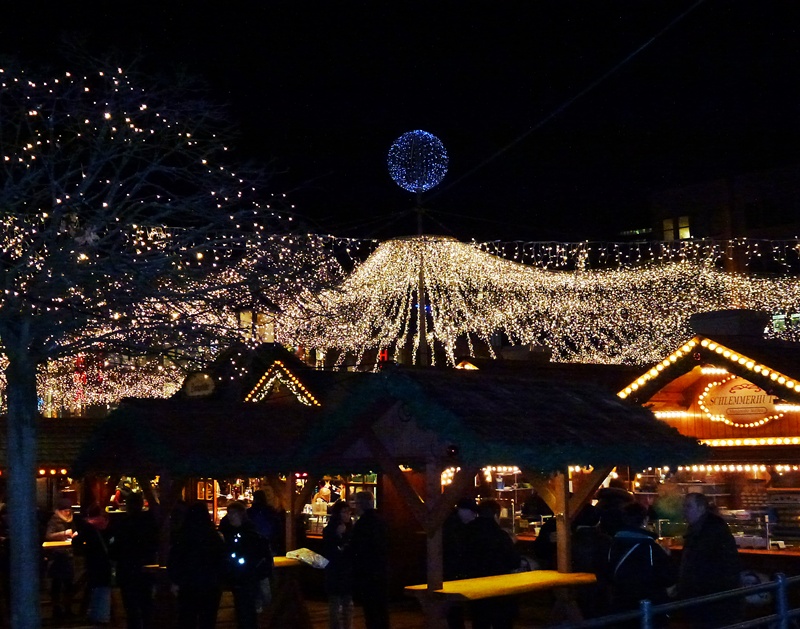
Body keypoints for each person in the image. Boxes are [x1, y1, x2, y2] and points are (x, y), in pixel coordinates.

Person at [678, 492, 742, 628]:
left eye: (688, 506)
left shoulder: (709, 530)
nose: (684, 510)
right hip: (708, 595)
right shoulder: (703, 528)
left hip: (710, 596)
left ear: (701, 508)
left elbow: (704, 562)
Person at [607, 502, 676, 627]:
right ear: (645, 520)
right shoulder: (650, 547)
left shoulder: (613, 544)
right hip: (648, 605)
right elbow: (668, 577)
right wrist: (667, 556)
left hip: (621, 605)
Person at [461, 499, 520, 629]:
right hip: (499, 585)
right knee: (502, 621)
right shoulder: (500, 535)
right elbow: (514, 561)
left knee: (480, 620)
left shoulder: (466, 531)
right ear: (495, 515)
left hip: (474, 584)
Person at [168, 502, 226, 629]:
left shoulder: (183, 536)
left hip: (188, 584)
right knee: (208, 619)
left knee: (187, 618)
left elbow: (175, 559)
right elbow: (221, 559)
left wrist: (175, 580)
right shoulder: (213, 536)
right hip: (210, 584)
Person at [219, 500, 273, 629]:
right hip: (237, 578)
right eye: (229, 513)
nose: (230, 516)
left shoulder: (250, 534)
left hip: (247, 578)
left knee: (247, 611)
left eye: (233, 513)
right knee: (242, 610)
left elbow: (258, 556)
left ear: (241, 515)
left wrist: (253, 571)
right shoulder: (230, 532)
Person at [109, 491, 159, 629]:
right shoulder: (150, 522)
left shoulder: (122, 524)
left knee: (131, 608)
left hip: (127, 570)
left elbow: (114, 550)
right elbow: (155, 543)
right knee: (146, 605)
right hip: (146, 568)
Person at [348, 491, 389, 629]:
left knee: (370, 609)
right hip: (381, 570)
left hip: (366, 572)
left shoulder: (362, 524)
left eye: (356, 503)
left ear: (361, 504)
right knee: (381, 608)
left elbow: (355, 547)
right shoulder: (381, 520)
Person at [75, 503, 114, 627]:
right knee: (105, 588)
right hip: (107, 561)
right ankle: (104, 615)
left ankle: (96, 615)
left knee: (95, 587)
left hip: (93, 561)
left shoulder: (88, 526)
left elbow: (77, 542)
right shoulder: (108, 524)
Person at [571, 504, 612, 620]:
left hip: (573, 588)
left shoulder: (567, 540)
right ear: (597, 520)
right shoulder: (605, 540)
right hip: (601, 588)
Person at [247, 490, 281, 613]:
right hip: (269, 546)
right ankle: (270, 602)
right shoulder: (270, 512)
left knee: (256, 575)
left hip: (253, 548)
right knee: (269, 573)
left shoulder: (250, 513)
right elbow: (277, 528)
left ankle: (258, 603)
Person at [45, 496, 78, 620]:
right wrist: (63, 534)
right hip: (57, 555)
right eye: (65, 511)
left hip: (68, 554)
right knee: (57, 584)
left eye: (69, 511)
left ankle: (68, 608)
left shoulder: (71, 520)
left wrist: (74, 535)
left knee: (69, 584)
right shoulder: (54, 520)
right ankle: (57, 609)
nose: (68, 513)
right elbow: (48, 535)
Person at [322, 500, 354, 629]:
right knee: (336, 604)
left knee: (347, 603)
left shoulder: (350, 529)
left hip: (346, 570)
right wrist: (338, 536)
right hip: (335, 570)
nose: (347, 515)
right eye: (344, 512)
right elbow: (329, 550)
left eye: (348, 512)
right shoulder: (330, 530)